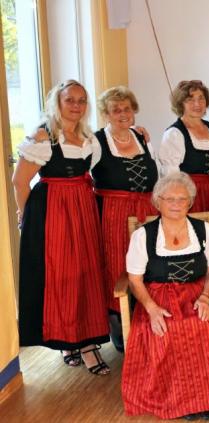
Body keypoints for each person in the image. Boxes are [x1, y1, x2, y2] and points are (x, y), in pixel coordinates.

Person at [13, 79, 110, 374]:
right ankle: (70, 340)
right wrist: (25, 215)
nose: (76, 106)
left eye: (81, 100)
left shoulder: (87, 136)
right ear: (57, 102)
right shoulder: (44, 135)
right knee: (63, 276)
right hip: (54, 210)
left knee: (87, 273)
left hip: (83, 206)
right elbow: (20, 181)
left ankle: (88, 341)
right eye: (70, 100)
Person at [121, 172, 209, 420]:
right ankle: (175, 399)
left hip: (196, 291)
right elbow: (135, 279)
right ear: (157, 201)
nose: (175, 204)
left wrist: (205, 297)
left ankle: (206, 398)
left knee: (203, 325)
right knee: (168, 330)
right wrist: (151, 309)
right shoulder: (143, 235)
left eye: (182, 199)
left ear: (190, 202)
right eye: (169, 199)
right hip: (157, 295)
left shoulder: (204, 231)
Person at [92, 86, 159, 351]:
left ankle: (148, 321)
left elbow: (158, 171)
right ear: (106, 114)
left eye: (127, 108)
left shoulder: (142, 136)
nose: (123, 114)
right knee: (118, 267)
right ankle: (120, 328)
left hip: (148, 211)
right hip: (114, 212)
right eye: (116, 109)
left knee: (149, 266)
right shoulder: (97, 142)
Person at [159, 80, 209, 267]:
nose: (197, 104)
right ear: (180, 103)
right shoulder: (175, 134)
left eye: (201, 98)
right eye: (190, 99)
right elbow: (172, 179)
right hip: (190, 197)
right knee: (197, 241)